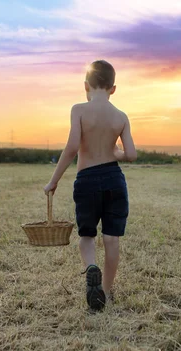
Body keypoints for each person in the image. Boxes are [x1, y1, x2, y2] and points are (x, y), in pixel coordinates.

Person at [43, 60, 137, 312]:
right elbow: (131, 154)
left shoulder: (79, 110)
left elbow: (73, 147)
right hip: (114, 180)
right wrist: (114, 152)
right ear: (113, 88)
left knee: (86, 236)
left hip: (86, 180)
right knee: (111, 239)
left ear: (86, 85)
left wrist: (54, 180)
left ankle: (90, 267)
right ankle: (105, 290)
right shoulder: (121, 117)